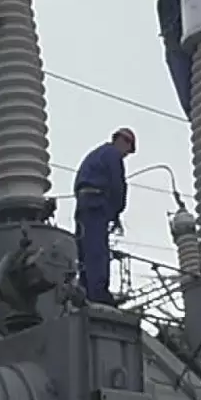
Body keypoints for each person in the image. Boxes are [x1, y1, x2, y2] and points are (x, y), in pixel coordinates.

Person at [72, 128, 137, 306]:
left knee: (84, 248)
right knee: (97, 249)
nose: (126, 155)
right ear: (124, 141)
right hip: (96, 204)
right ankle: (98, 293)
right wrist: (117, 210)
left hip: (83, 204)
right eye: (128, 150)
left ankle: (85, 289)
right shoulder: (112, 155)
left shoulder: (96, 154)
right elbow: (118, 185)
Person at [156, 0, 201, 119]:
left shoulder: (187, 12)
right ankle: (194, 116)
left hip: (188, 48)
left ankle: (196, 113)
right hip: (176, 48)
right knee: (188, 93)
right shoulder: (168, 7)